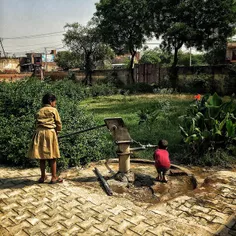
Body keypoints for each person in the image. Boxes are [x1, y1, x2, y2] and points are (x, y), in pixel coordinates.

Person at [28, 93, 63, 184]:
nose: (55, 104)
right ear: (51, 102)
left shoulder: (39, 111)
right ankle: (54, 177)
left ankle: (43, 177)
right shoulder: (53, 110)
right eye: (54, 102)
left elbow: (36, 123)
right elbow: (58, 123)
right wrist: (57, 132)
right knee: (53, 156)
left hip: (39, 133)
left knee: (41, 156)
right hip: (50, 133)